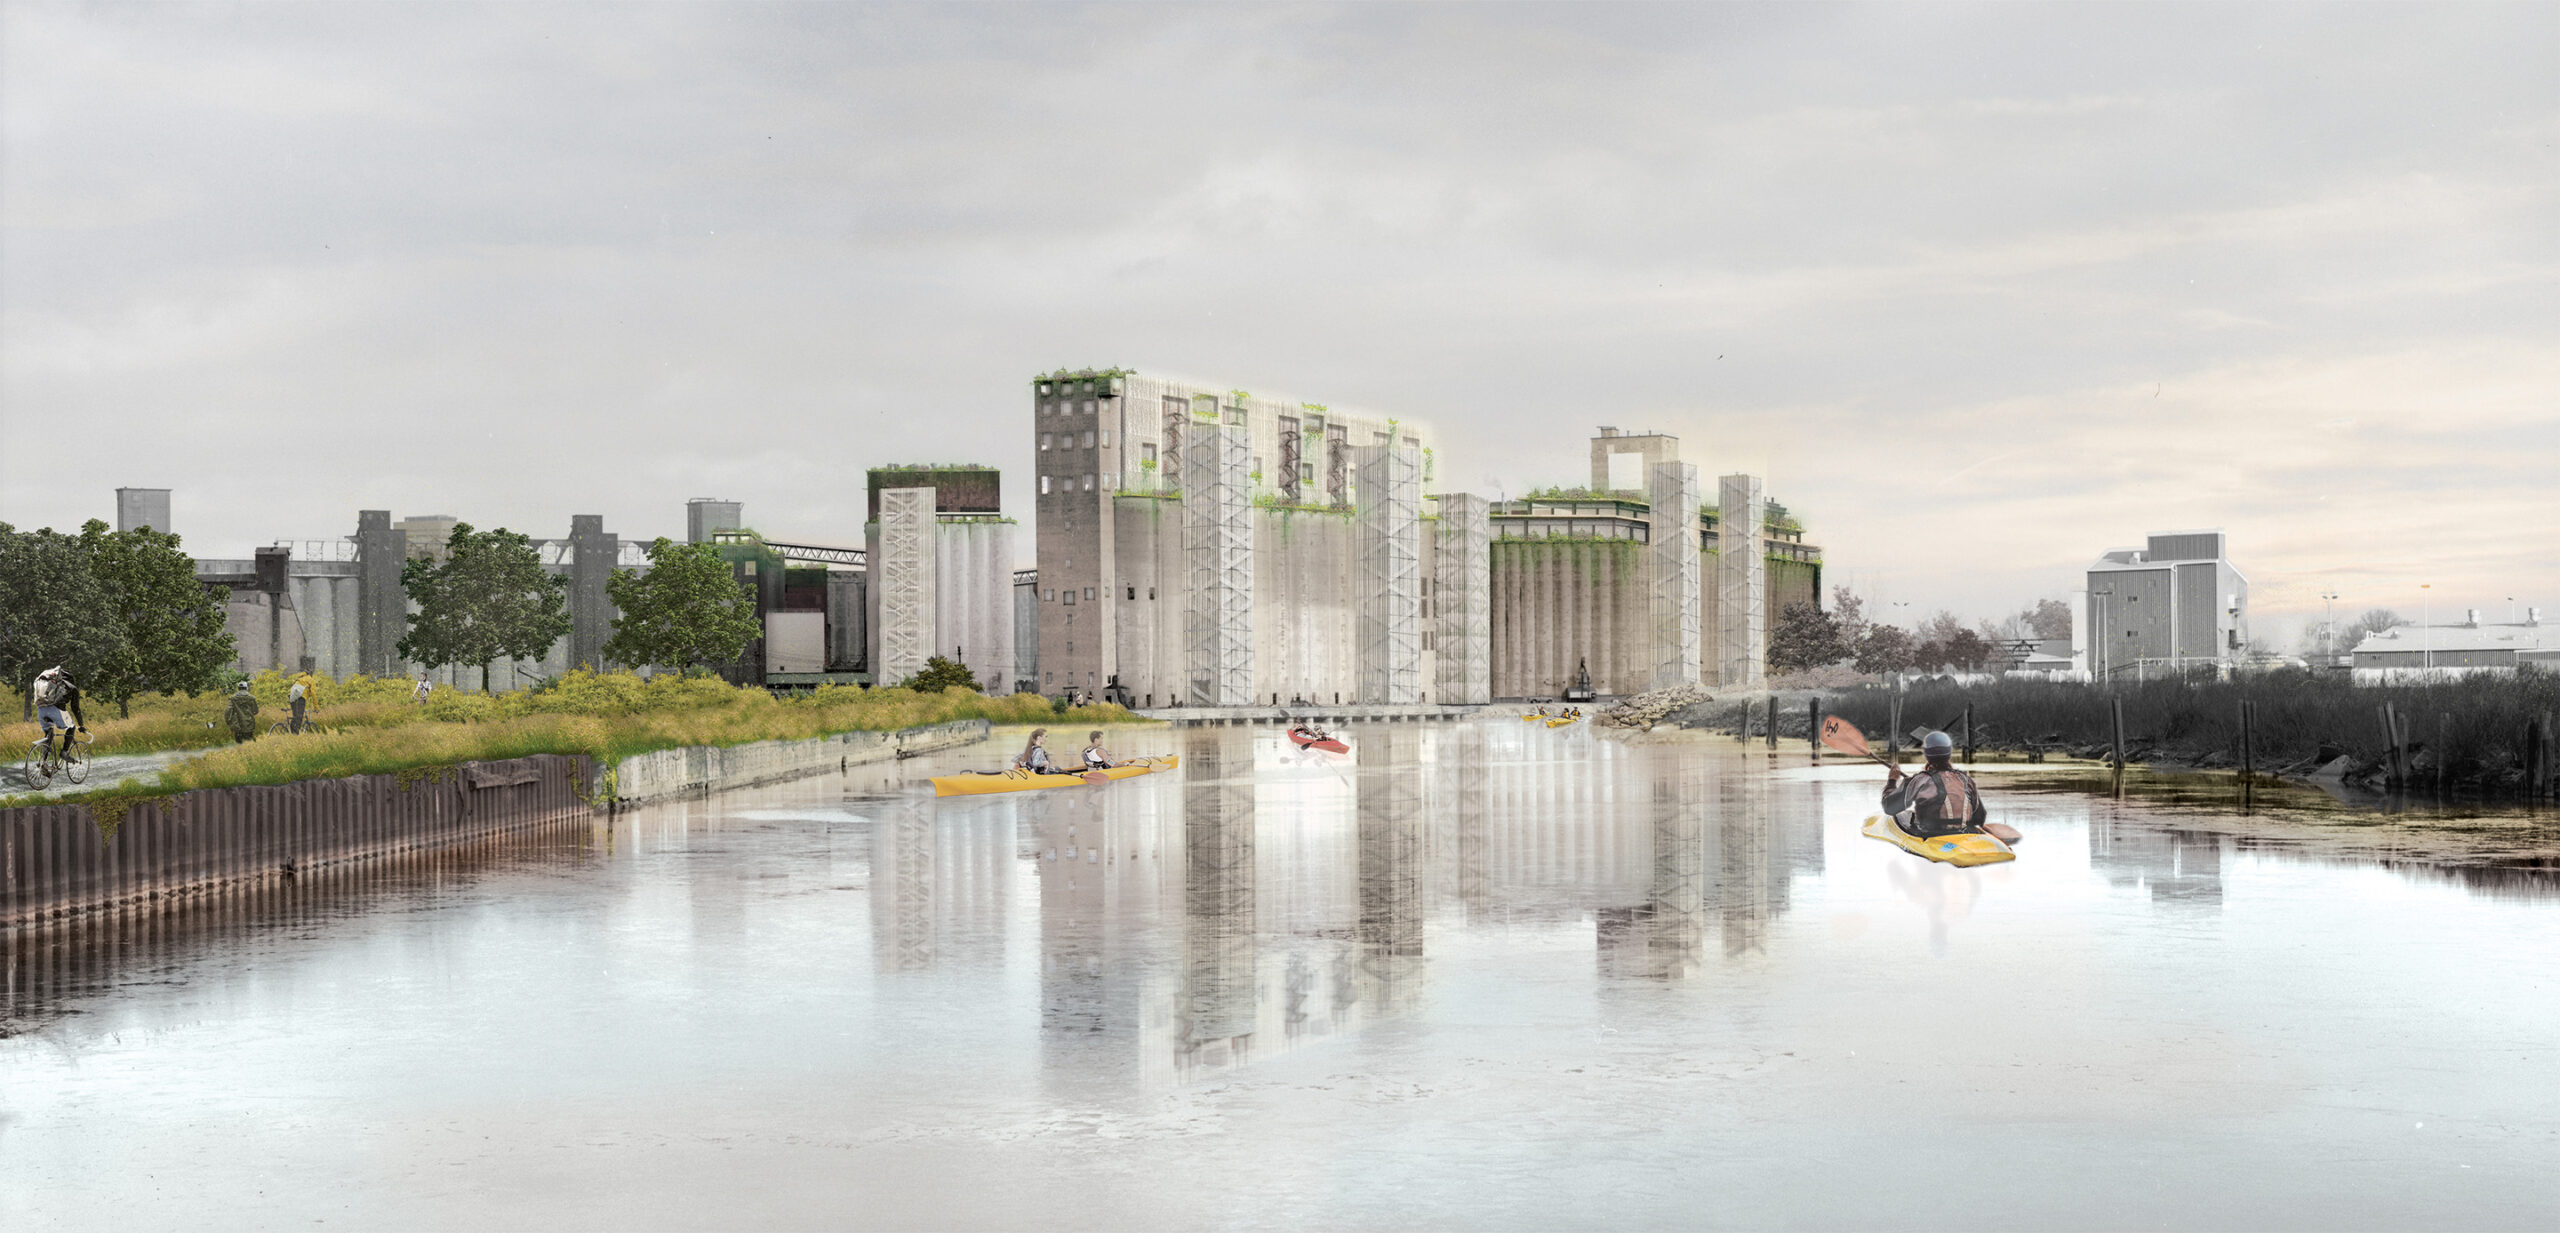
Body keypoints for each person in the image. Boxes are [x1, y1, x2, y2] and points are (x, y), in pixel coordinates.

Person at [1883, 731, 2021, 843]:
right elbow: (1979, 817)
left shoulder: (1919, 780)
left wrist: (1892, 781)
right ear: (1948, 752)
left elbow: (1890, 807)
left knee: (1908, 816)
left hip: (1931, 836)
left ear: (1927, 754)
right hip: (1962, 835)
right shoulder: (1965, 779)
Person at [31, 667, 87, 762]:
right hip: (56, 710)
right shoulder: (72, 688)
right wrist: (81, 725)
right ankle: (64, 752)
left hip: (40, 709)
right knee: (71, 727)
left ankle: (43, 763)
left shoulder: (50, 683)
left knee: (48, 734)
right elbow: (75, 708)